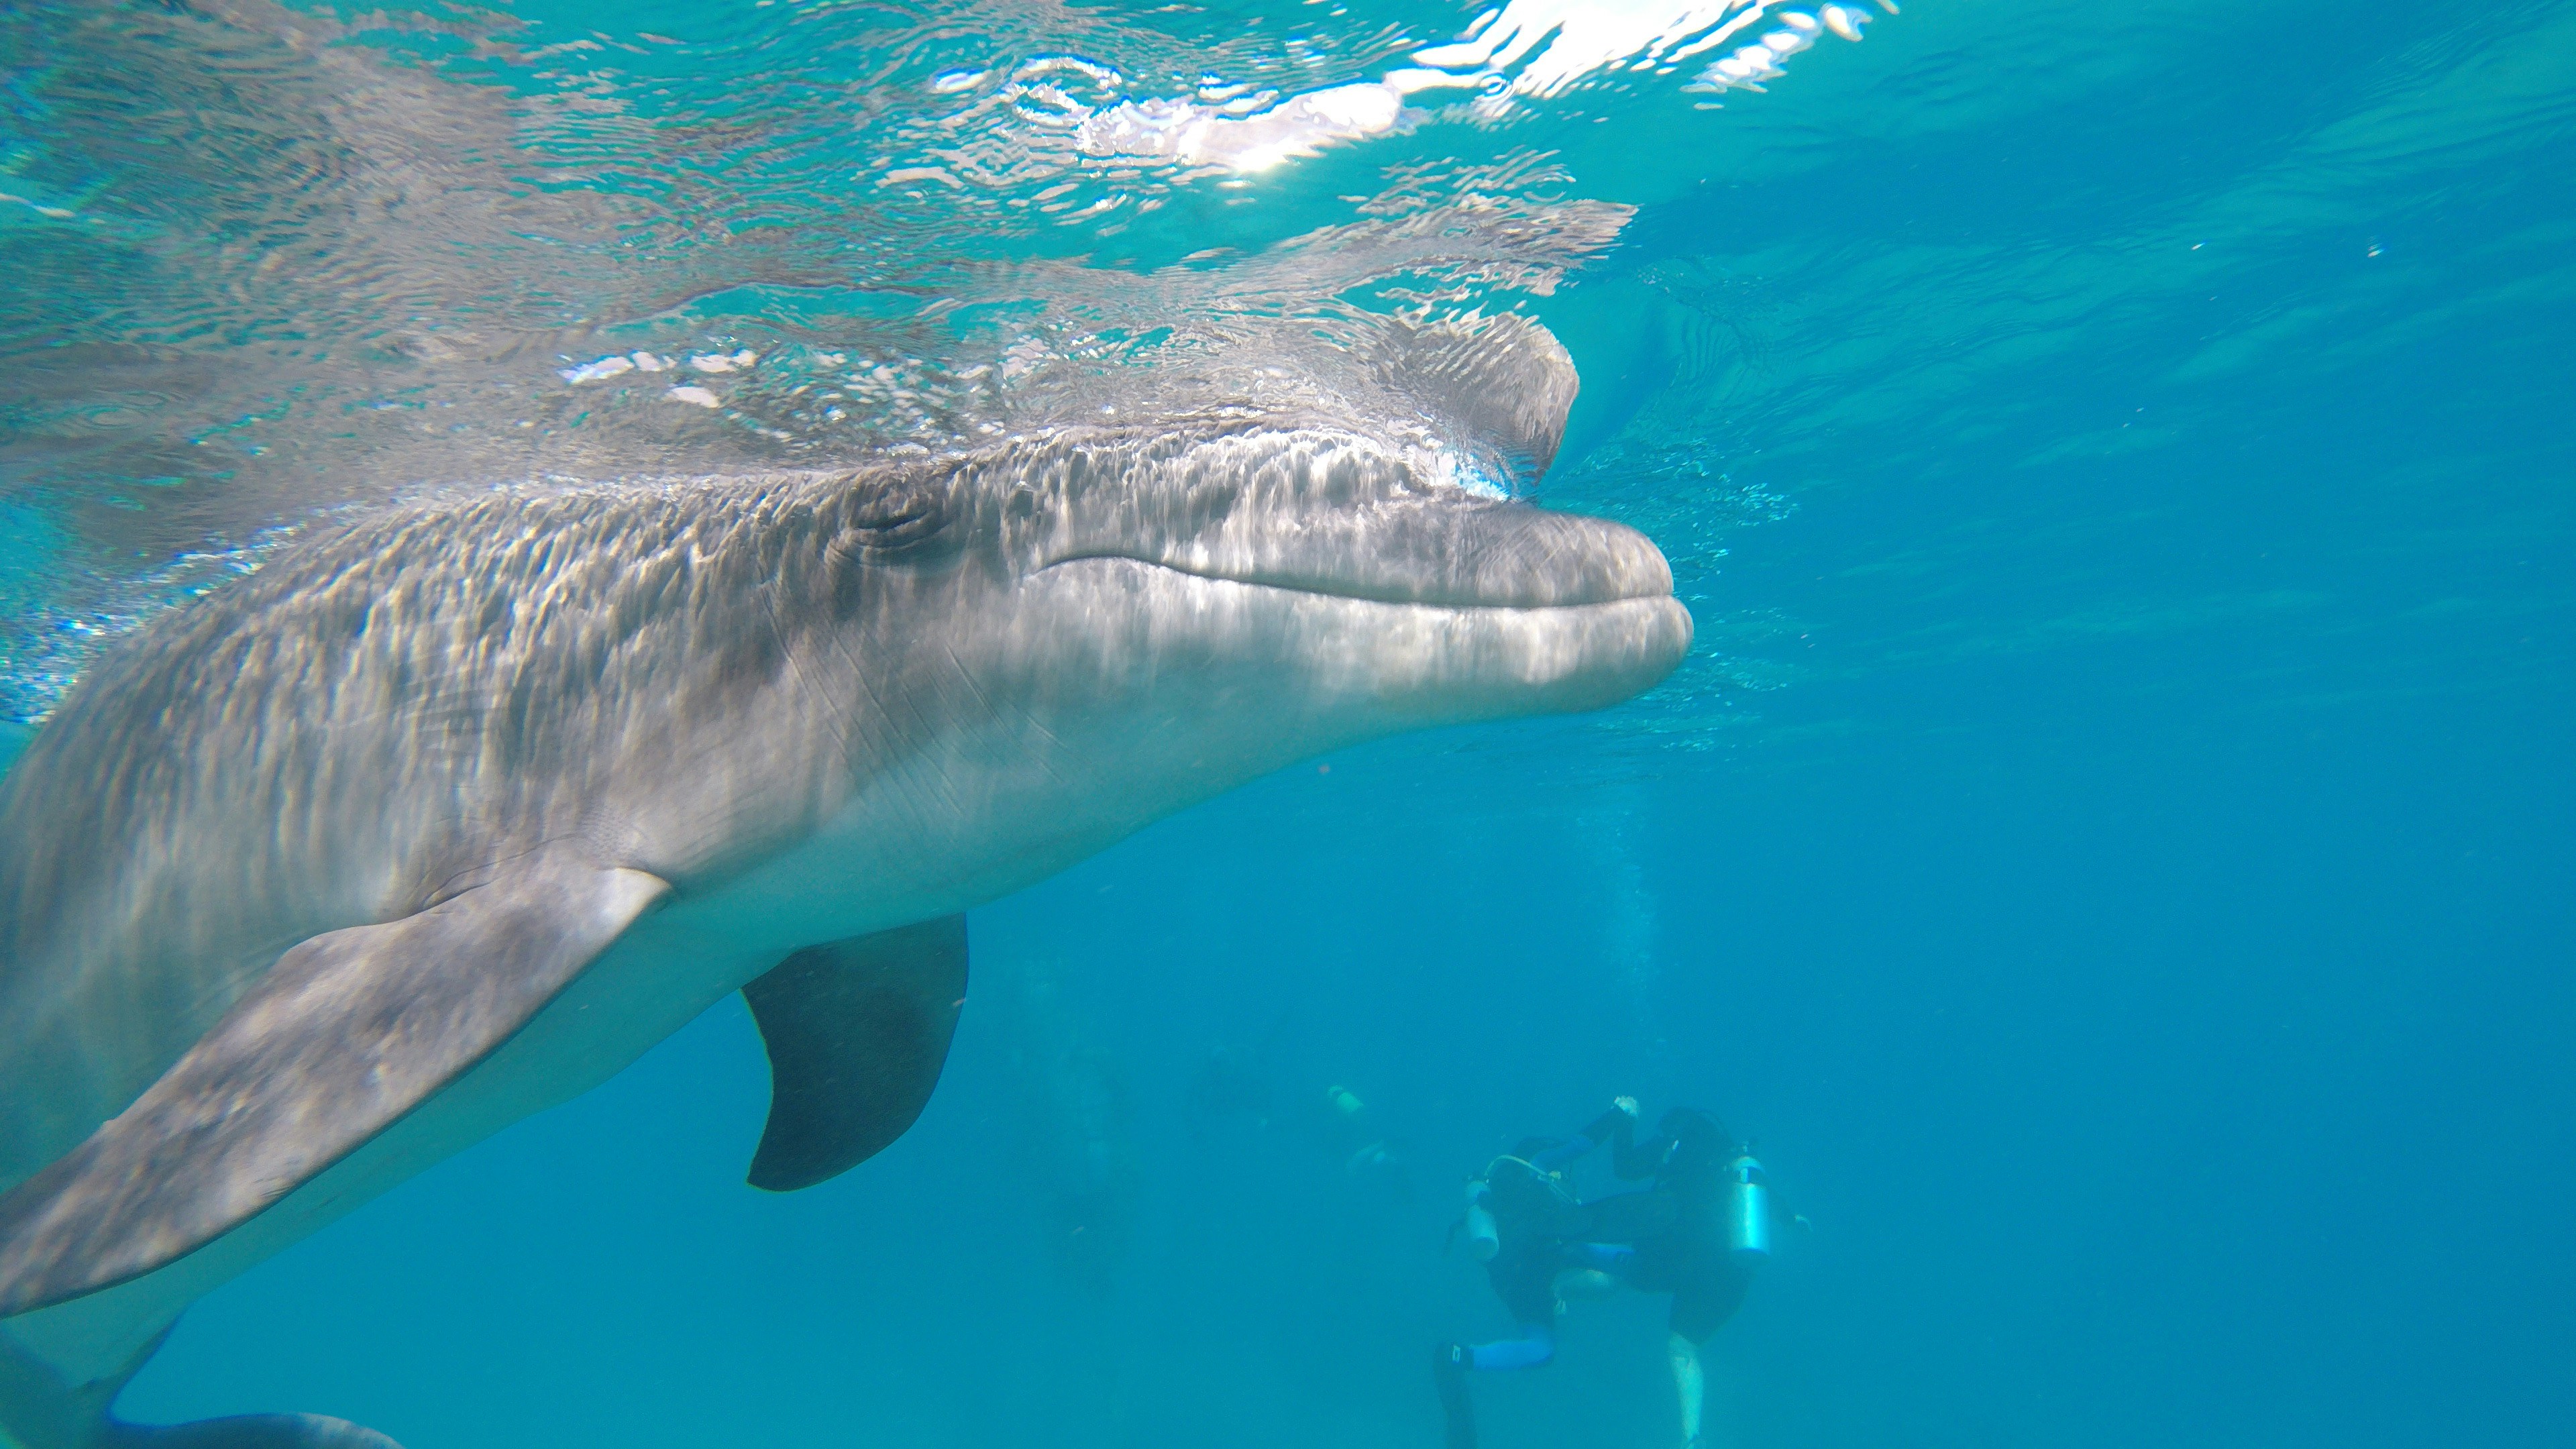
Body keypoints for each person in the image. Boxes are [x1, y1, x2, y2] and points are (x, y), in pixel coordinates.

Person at [1434, 1098, 1796, 1449]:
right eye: (1563, 1175)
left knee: (1544, 1346)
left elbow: (1592, 1267)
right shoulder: (1536, 1162)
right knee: (1614, 1262)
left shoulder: (1500, 1199)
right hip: (1551, 1249)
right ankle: (1691, 1436)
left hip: (1511, 1272)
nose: (1565, 1179)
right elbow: (1581, 1144)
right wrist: (1618, 1114)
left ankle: (1458, 1357)